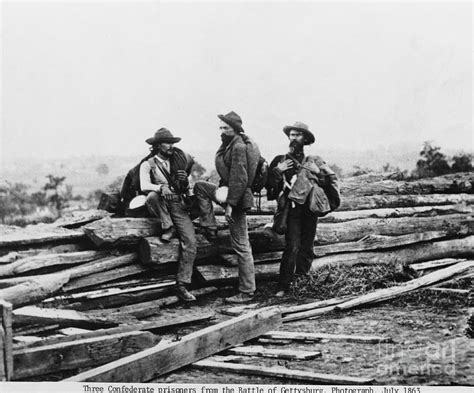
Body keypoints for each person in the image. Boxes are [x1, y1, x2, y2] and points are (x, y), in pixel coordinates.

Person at [266, 122, 340, 297]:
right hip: (290, 210)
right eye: (292, 135)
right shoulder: (280, 160)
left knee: (307, 247)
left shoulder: (314, 161)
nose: (294, 138)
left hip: (310, 209)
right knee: (292, 246)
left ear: (305, 139)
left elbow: (328, 183)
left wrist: (318, 173)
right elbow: (269, 188)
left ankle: (302, 282)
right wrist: (277, 171)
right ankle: (283, 286)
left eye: (298, 135)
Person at [193, 111, 260, 303]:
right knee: (200, 187)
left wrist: (230, 206)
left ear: (235, 129)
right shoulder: (229, 144)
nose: (222, 131)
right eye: (220, 127)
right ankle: (209, 226)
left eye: (226, 128)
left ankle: (247, 291)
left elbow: (240, 178)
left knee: (241, 244)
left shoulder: (238, 146)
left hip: (237, 199)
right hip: (229, 192)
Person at [140, 127, 198, 302]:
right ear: (157, 146)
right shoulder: (147, 164)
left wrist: (184, 182)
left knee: (191, 241)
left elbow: (186, 187)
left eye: (172, 142)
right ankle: (168, 226)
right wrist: (160, 187)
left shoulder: (178, 162)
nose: (171, 146)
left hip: (177, 204)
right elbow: (144, 186)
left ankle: (182, 284)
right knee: (152, 195)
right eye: (167, 143)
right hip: (160, 203)